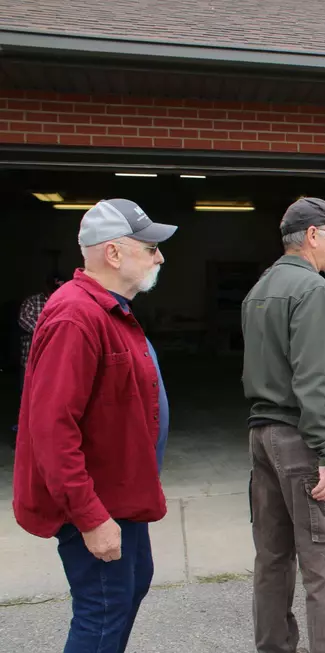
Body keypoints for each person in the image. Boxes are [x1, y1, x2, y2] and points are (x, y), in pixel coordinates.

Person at [12, 198, 177, 652]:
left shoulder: (109, 308)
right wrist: (90, 518)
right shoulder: (75, 316)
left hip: (123, 495)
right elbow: (51, 429)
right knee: (104, 608)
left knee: (129, 589)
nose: (160, 256)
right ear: (114, 253)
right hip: (97, 502)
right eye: (151, 248)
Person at [241, 197, 325, 653]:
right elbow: (314, 381)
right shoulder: (313, 290)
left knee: (272, 558)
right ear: (313, 235)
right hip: (302, 440)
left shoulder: (261, 288)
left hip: (263, 435)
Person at [13, 273, 65, 433]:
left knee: (53, 399)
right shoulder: (31, 302)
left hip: (57, 363)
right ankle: (25, 432)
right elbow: (27, 323)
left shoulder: (67, 302)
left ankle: (46, 432)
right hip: (31, 360)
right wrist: (56, 330)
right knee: (27, 398)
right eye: (53, 287)